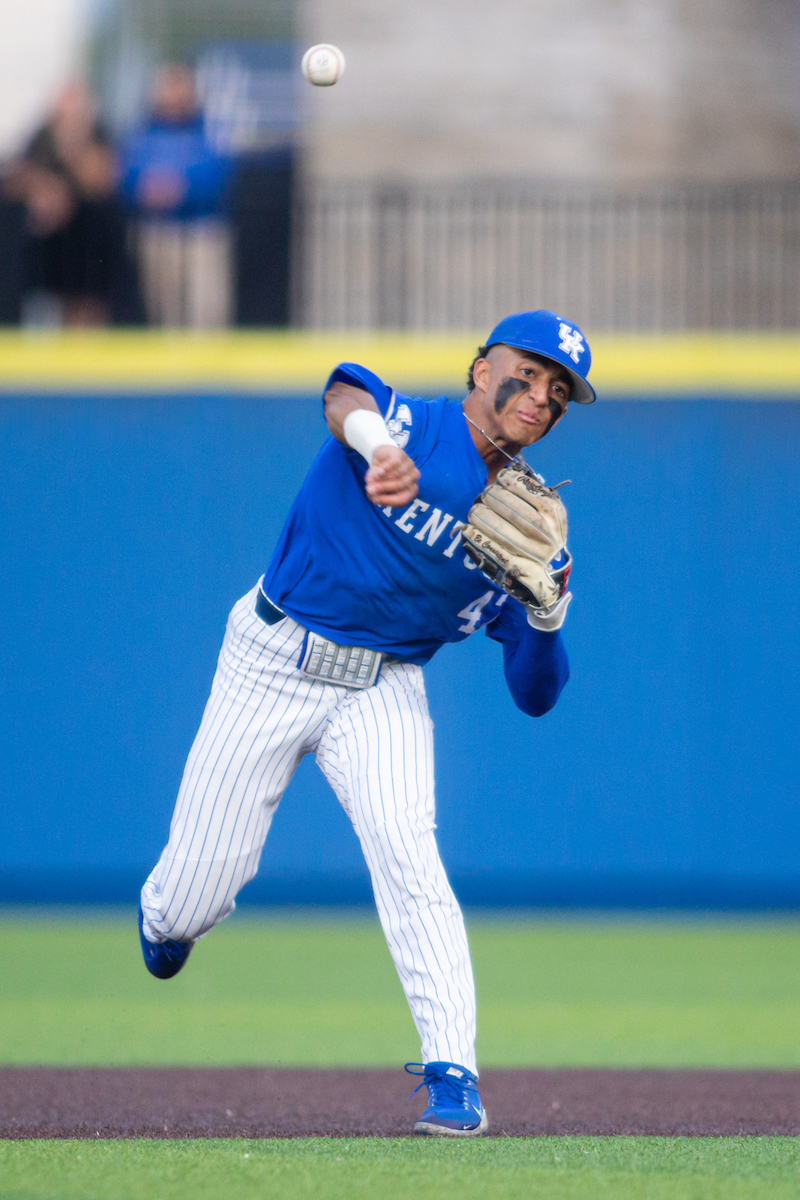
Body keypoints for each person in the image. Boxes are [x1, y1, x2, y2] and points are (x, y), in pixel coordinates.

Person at [138, 309, 596, 1135]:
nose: (538, 396)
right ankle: (167, 921)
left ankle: (455, 1075)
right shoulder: (414, 426)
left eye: (557, 391)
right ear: (480, 366)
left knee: (411, 857)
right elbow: (343, 391)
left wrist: (551, 614)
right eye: (525, 373)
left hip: (383, 686)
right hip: (272, 658)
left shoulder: (529, 532)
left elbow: (535, 694)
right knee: (192, 902)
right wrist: (379, 448)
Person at [118, 63, 232, 328]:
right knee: (163, 311)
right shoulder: (141, 133)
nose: (174, 94)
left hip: (200, 233)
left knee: (205, 310)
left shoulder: (208, 130)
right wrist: (146, 188)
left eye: (180, 86)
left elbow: (218, 173)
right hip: (157, 232)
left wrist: (182, 189)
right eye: (168, 86)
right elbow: (127, 174)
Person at [6, 81, 118, 326]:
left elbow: (101, 179)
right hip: (51, 246)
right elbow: (19, 174)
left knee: (86, 306)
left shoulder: (97, 134)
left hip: (88, 242)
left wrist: (73, 146)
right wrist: (44, 188)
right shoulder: (42, 135)